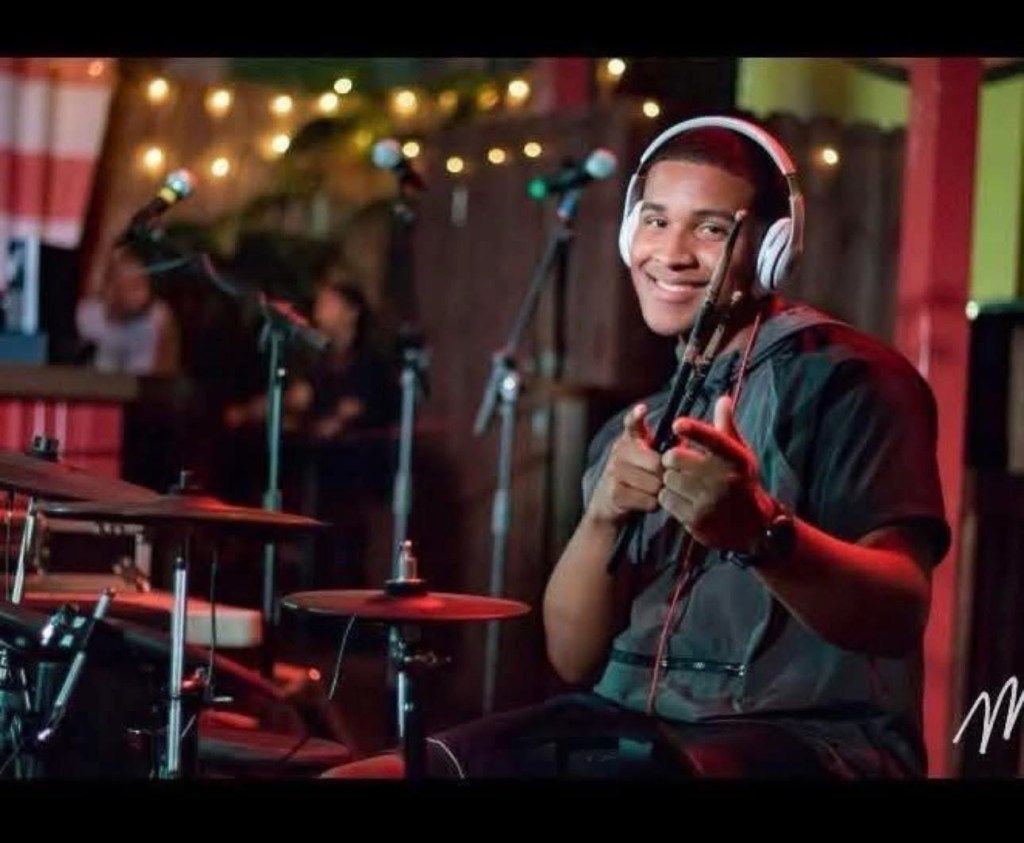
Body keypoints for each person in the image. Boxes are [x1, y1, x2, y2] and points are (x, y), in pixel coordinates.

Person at [322, 115, 951, 779]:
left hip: (806, 738)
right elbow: (572, 657)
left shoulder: (850, 382)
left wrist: (759, 531)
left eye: (711, 229)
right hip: (620, 723)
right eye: (655, 220)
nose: (671, 253)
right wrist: (602, 516)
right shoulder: (636, 424)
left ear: (773, 249)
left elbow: (899, 609)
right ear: (629, 234)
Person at [75, 244, 181, 375]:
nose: (145, 293)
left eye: (145, 283)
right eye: (135, 286)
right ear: (113, 289)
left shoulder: (159, 318)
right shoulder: (87, 315)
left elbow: (166, 374)